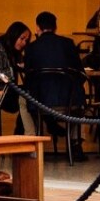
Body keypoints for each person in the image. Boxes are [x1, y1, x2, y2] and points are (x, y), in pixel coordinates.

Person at [24, 11, 86, 161]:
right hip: (69, 101)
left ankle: (31, 141)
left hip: (40, 102)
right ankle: (75, 142)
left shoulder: (31, 48)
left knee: (22, 98)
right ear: (55, 27)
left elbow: (28, 79)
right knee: (79, 96)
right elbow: (80, 74)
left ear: (37, 28)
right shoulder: (68, 44)